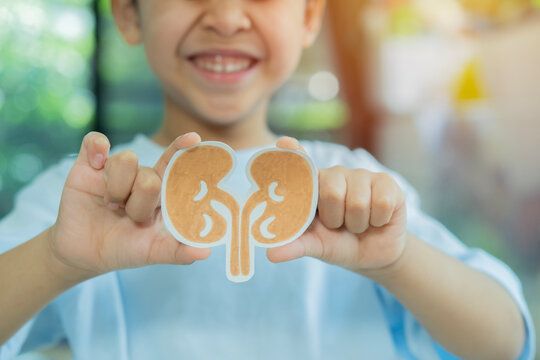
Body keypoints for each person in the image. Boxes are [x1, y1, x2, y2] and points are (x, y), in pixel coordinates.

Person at [0, 0, 534, 359]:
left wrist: (400, 261)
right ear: (128, 12)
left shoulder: (363, 193)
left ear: (308, 17)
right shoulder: (82, 198)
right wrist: (54, 259)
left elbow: (508, 342)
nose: (228, 17)